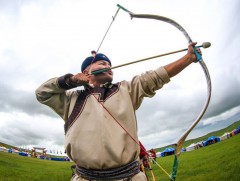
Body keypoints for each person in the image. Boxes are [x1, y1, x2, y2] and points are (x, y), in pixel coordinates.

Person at [35, 42, 201, 181]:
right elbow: (42, 93)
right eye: (102, 63)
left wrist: (188, 58)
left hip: (129, 177)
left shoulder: (126, 90)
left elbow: (155, 77)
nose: (108, 67)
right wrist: (71, 80)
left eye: (109, 65)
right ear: (86, 72)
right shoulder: (70, 99)